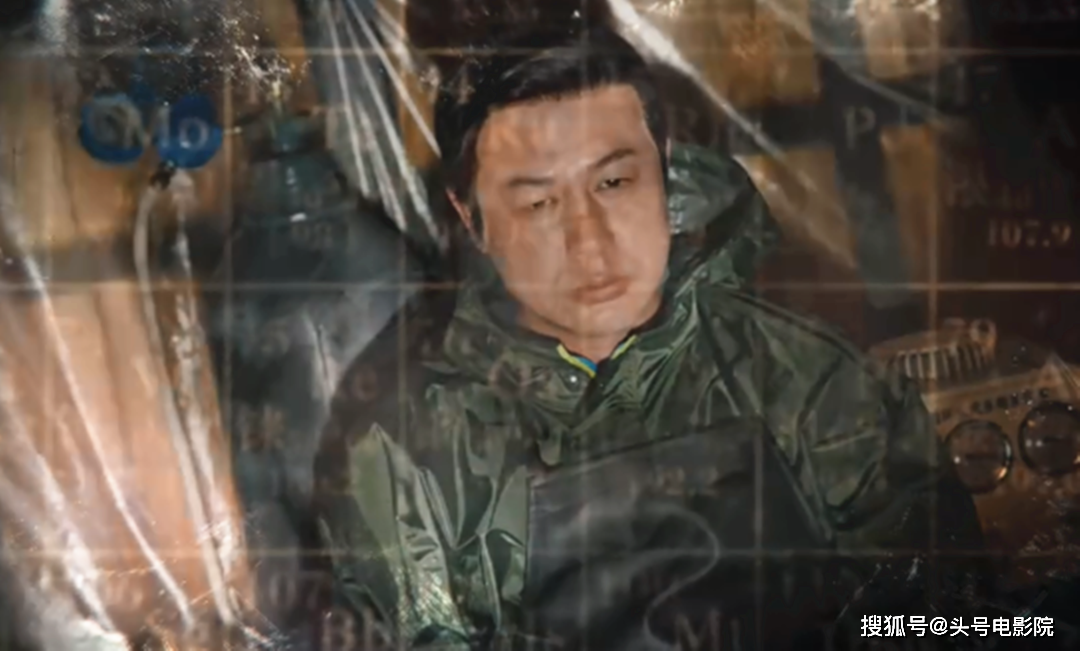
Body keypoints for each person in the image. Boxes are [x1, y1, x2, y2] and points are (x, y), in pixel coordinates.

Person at [312, 23, 983, 650]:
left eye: (613, 181)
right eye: (539, 203)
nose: (590, 244)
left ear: (664, 165)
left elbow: (942, 618)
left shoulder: (810, 381)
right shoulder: (405, 451)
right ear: (472, 218)